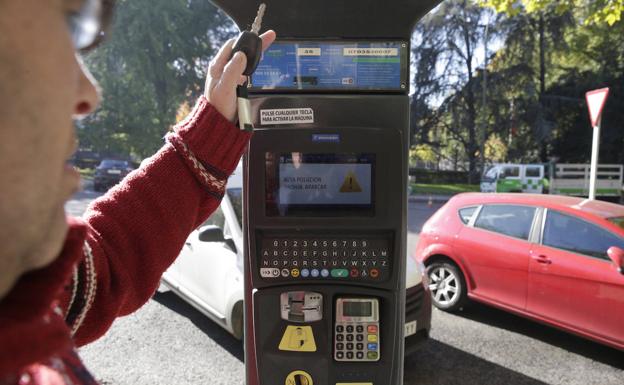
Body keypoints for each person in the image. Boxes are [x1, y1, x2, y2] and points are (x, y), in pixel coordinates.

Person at [0, 0, 276, 383]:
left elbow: (107, 262)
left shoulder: (22, 284)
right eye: (61, 32)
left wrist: (208, 130)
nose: (87, 95)